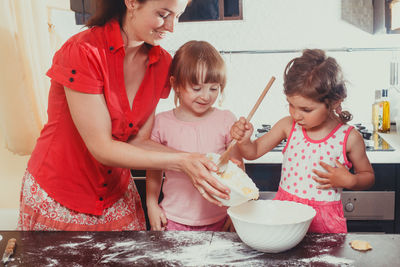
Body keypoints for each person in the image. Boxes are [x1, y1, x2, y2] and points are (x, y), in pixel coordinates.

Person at [17, 0, 230, 231]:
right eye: (163, 14)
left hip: (115, 195)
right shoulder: (83, 52)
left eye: (177, 16)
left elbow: (139, 141)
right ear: (131, 3)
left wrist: (195, 160)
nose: (171, 27)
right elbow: (102, 148)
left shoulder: (161, 65)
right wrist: (182, 161)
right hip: (60, 195)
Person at [230, 49, 375, 233]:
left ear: (334, 102)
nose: (296, 114)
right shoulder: (287, 125)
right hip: (286, 217)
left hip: (324, 224)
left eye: (306, 109)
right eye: (291, 104)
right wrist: (244, 140)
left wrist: (351, 181)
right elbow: (253, 152)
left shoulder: (349, 138)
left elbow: (368, 176)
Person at [146, 40, 242, 231]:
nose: (206, 96)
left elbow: (238, 170)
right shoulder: (161, 123)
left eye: (214, 88)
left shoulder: (226, 119)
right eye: (197, 88)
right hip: (172, 219)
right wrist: (151, 204)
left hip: (220, 219)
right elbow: (154, 170)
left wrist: (237, 209)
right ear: (176, 84)